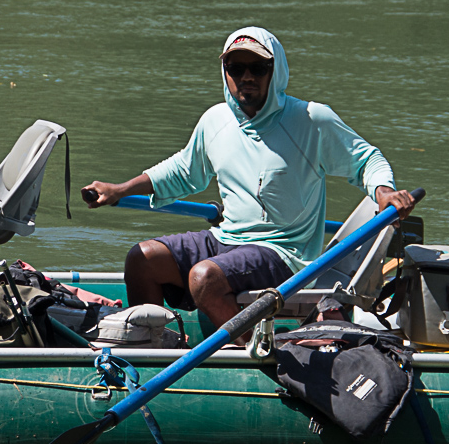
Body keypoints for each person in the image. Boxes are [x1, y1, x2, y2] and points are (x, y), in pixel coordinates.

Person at [80, 27, 416, 335]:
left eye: (258, 68)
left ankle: (250, 355)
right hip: (226, 238)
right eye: (236, 69)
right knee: (142, 259)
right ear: (225, 74)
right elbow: (183, 170)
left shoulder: (311, 120)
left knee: (204, 278)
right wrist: (119, 190)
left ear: (276, 72)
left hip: (285, 253)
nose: (246, 77)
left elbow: (366, 159)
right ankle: (148, 345)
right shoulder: (215, 120)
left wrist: (383, 192)